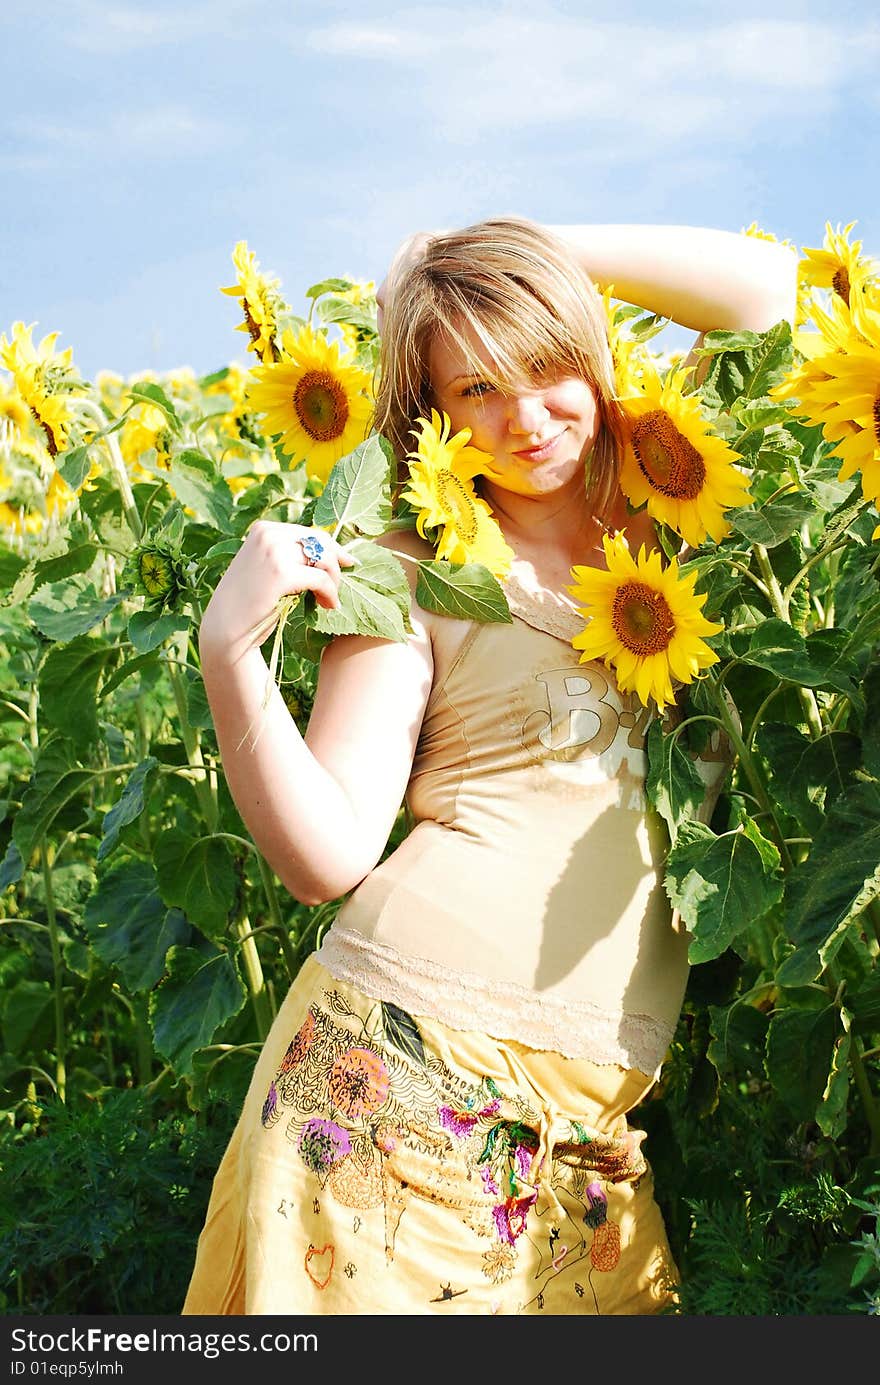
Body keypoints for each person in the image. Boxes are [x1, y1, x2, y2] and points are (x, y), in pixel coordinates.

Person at [182, 218, 797, 1316]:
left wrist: (505, 254)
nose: (524, 417)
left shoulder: (672, 496)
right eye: (473, 388)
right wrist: (229, 653)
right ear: (429, 412)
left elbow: (775, 293)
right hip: (406, 1073)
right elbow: (325, 853)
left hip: (590, 1132)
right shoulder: (413, 569)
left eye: (550, 365)